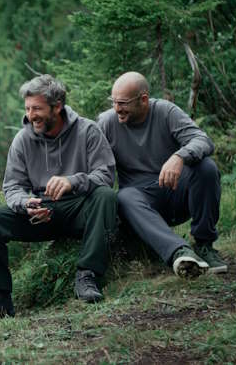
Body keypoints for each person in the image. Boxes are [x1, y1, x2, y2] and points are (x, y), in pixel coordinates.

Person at [0, 75, 118, 321]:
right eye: (28, 108)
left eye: (37, 108)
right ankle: (0, 301)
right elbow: (12, 186)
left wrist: (73, 181)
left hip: (79, 207)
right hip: (41, 212)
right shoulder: (23, 139)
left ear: (57, 106)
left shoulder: (87, 131)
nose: (31, 115)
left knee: (105, 196)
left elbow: (105, 175)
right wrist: (25, 204)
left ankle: (87, 276)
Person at [97, 71, 227, 278]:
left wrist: (179, 156)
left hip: (176, 191)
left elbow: (203, 141)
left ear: (144, 99)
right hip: (141, 203)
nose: (116, 108)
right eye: (113, 102)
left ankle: (205, 246)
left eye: (122, 103)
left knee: (206, 168)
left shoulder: (166, 112)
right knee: (123, 196)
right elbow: (91, 160)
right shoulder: (106, 123)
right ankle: (180, 253)